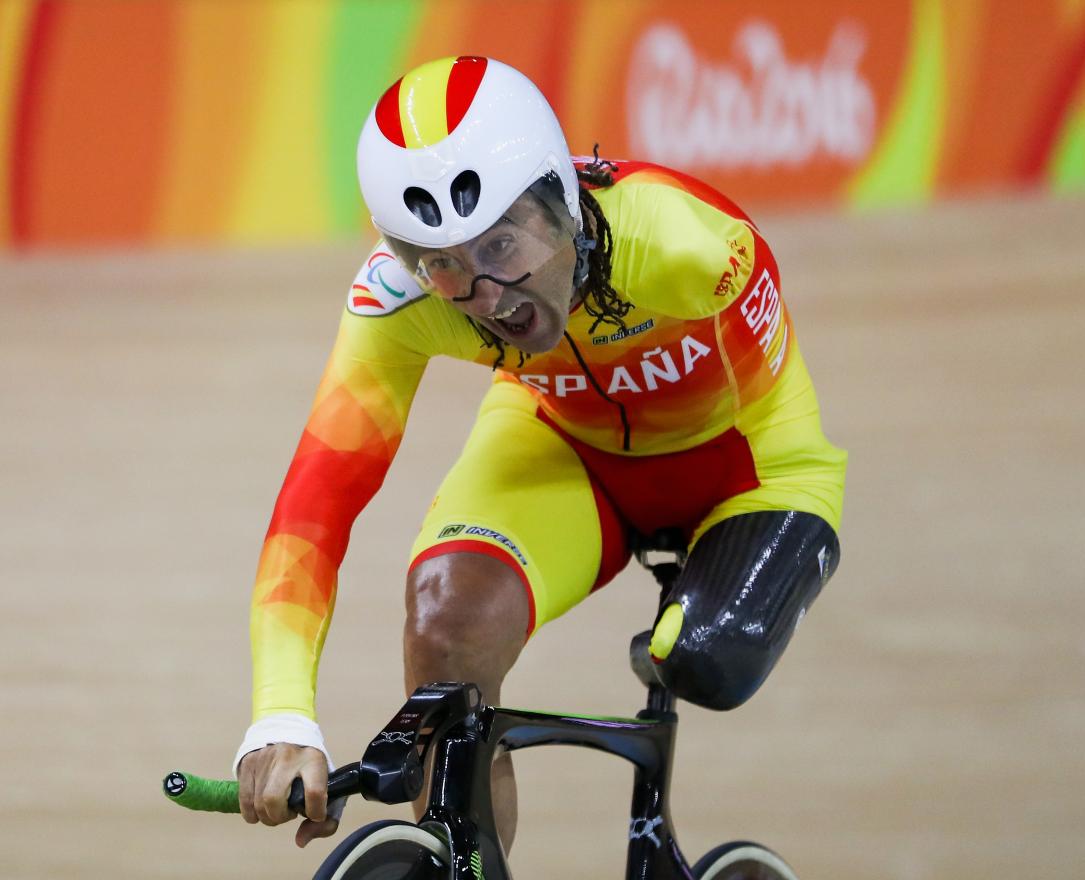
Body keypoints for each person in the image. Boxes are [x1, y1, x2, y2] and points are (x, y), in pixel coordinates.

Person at [233, 55, 846, 851]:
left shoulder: (692, 246)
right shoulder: (399, 300)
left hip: (743, 464)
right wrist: (281, 711)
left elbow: (771, 408)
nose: (490, 298)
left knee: (707, 659)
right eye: (444, 264)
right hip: (563, 443)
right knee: (445, 631)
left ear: (562, 197)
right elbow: (316, 501)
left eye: (502, 246)